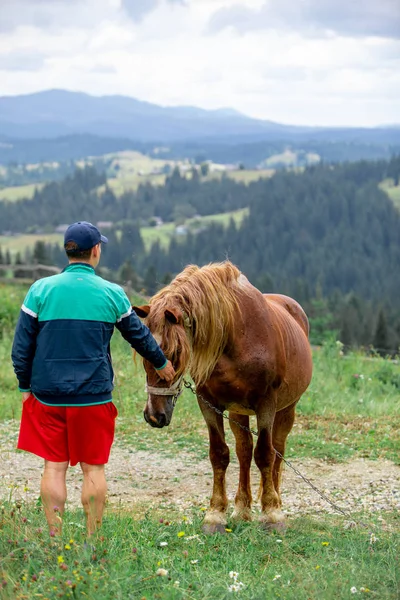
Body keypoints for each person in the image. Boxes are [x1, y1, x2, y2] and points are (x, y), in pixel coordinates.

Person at [11, 221, 175, 536]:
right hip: (94, 396)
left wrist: (25, 386)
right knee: (93, 468)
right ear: (96, 251)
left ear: (67, 251)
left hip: (47, 394)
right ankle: (93, 539)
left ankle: (56, 540)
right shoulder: (112, 294)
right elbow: (138, 336)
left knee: (54, 467)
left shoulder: (40, 290)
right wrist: (162, 362)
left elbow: (21, 350)